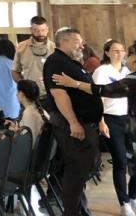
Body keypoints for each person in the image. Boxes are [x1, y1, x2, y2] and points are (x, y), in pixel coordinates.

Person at [54, 40, 136, 216]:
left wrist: (74, 83)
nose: (126, 56)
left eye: (129, 53)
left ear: (135, 58)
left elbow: (105, 90)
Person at [43, 27, 103, 216]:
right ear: (64, 42)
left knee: (83, 169)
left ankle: (81, 211)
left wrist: (99, 119)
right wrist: (73, 122)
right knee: (76, 170)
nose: (82, 45)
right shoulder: (56, 62)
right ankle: (73, 212)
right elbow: (59, 95)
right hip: (73, 124)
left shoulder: (71, 63)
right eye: (77, 41)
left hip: (84, 122)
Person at [93, 39, 136, 216]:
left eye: (122, 50)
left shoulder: (127, 71)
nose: (119, 53)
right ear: (107, 52)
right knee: (121, 161)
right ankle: (124, 203)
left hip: (130, 119)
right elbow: (96, 98)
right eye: (115, 50)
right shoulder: (102, 71)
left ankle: (134, 196)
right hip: (110, 119)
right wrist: (100, 121)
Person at [13, 16, 55, 100]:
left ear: (47, 29)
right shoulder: (21, 47)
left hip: (52, 95)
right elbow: (15, 70)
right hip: (29, 96)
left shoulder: (55, 48)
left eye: (43, 30)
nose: (40, 33)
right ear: (31, 30)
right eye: (36, 30)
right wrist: (23, 85)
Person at [7, 79, 48, 144]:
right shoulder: (42, 111)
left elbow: (27, 142)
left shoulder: (28, 113)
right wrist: (17, 129)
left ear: (21, 94)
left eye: (17, 92)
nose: (16, 94)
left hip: (30, 153)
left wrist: (14, 133)